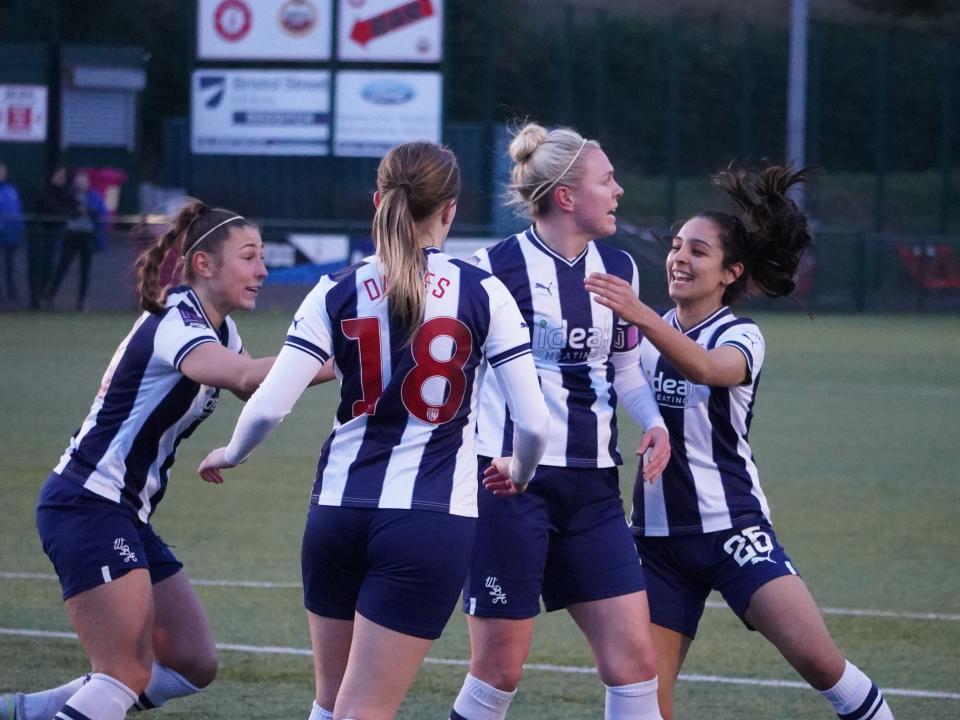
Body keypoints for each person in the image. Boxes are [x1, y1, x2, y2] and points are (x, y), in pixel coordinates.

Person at [197, 140, 550, 720]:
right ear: (451, 210)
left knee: (331, 704)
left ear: (380, 200)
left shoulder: (334, 290)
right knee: (362, 711)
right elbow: (533, 422)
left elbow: (266, 407)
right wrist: (520, 468)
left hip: (336, 513)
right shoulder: (483, 292)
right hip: (429, 523)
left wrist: (232, 452)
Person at [584, 165, 895, 720]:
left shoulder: (740, 334)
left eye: (698, 252)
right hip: (656, 542)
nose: (679, 258)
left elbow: (706, 368)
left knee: (822, 665)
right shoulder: (647, 332)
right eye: (677, 246)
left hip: (732, 530)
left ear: (731, 271)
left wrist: (636, 316)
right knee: (641, 701)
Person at [0, 202, 279, 720]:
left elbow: (260, 391)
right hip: (86, 504)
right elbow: (245, 378)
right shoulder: (177, 318)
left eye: (262, 257)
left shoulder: (223, 332)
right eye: (249, 256)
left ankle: (25, 710)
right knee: (124, 672)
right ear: (204, 264)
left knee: (193, 661)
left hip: (124, 513)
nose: (262, 269)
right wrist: (338, 354)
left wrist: (231, 451)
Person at [449, 123, 671, 720]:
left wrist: (653, 421)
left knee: (634, 664)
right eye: (607, 180)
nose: (619, 190)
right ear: (567, 196)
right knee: (499, 671)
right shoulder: (489, 268)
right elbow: (457, 377)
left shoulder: (620, 266)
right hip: (508, 487)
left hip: (594, 488)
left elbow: (624, 369)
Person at [45, 168, 107, 311]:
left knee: (85, 270)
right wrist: (76, 211)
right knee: (62, 267)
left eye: (84, 181)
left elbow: (98, 213)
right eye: (79, 181)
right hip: (71, 234)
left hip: (86, 236)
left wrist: (87, 210)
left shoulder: (94, 196)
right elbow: (65, 211)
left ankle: (81, 302)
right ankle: (50, 297)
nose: (81, 183)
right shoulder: (69, 195)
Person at [29, 166, 73, 309]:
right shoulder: (44, 190)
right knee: (38, 268)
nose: (61, 178)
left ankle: (43, 297)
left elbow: (72, 206)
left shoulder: (64, 193)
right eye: (58, 174)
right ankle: (35, 301)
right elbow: (51, 207)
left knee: (49, 267)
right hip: (39, 235)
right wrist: (67, 212)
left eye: (63, 176)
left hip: (53, 235)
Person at [0, 161, 26, 309]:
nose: (1, 174)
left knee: (10, 268)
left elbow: (18, 210)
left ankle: (11, 298)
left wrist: (18, 228)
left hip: (11, 236)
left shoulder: (11, 190)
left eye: (3, 171)